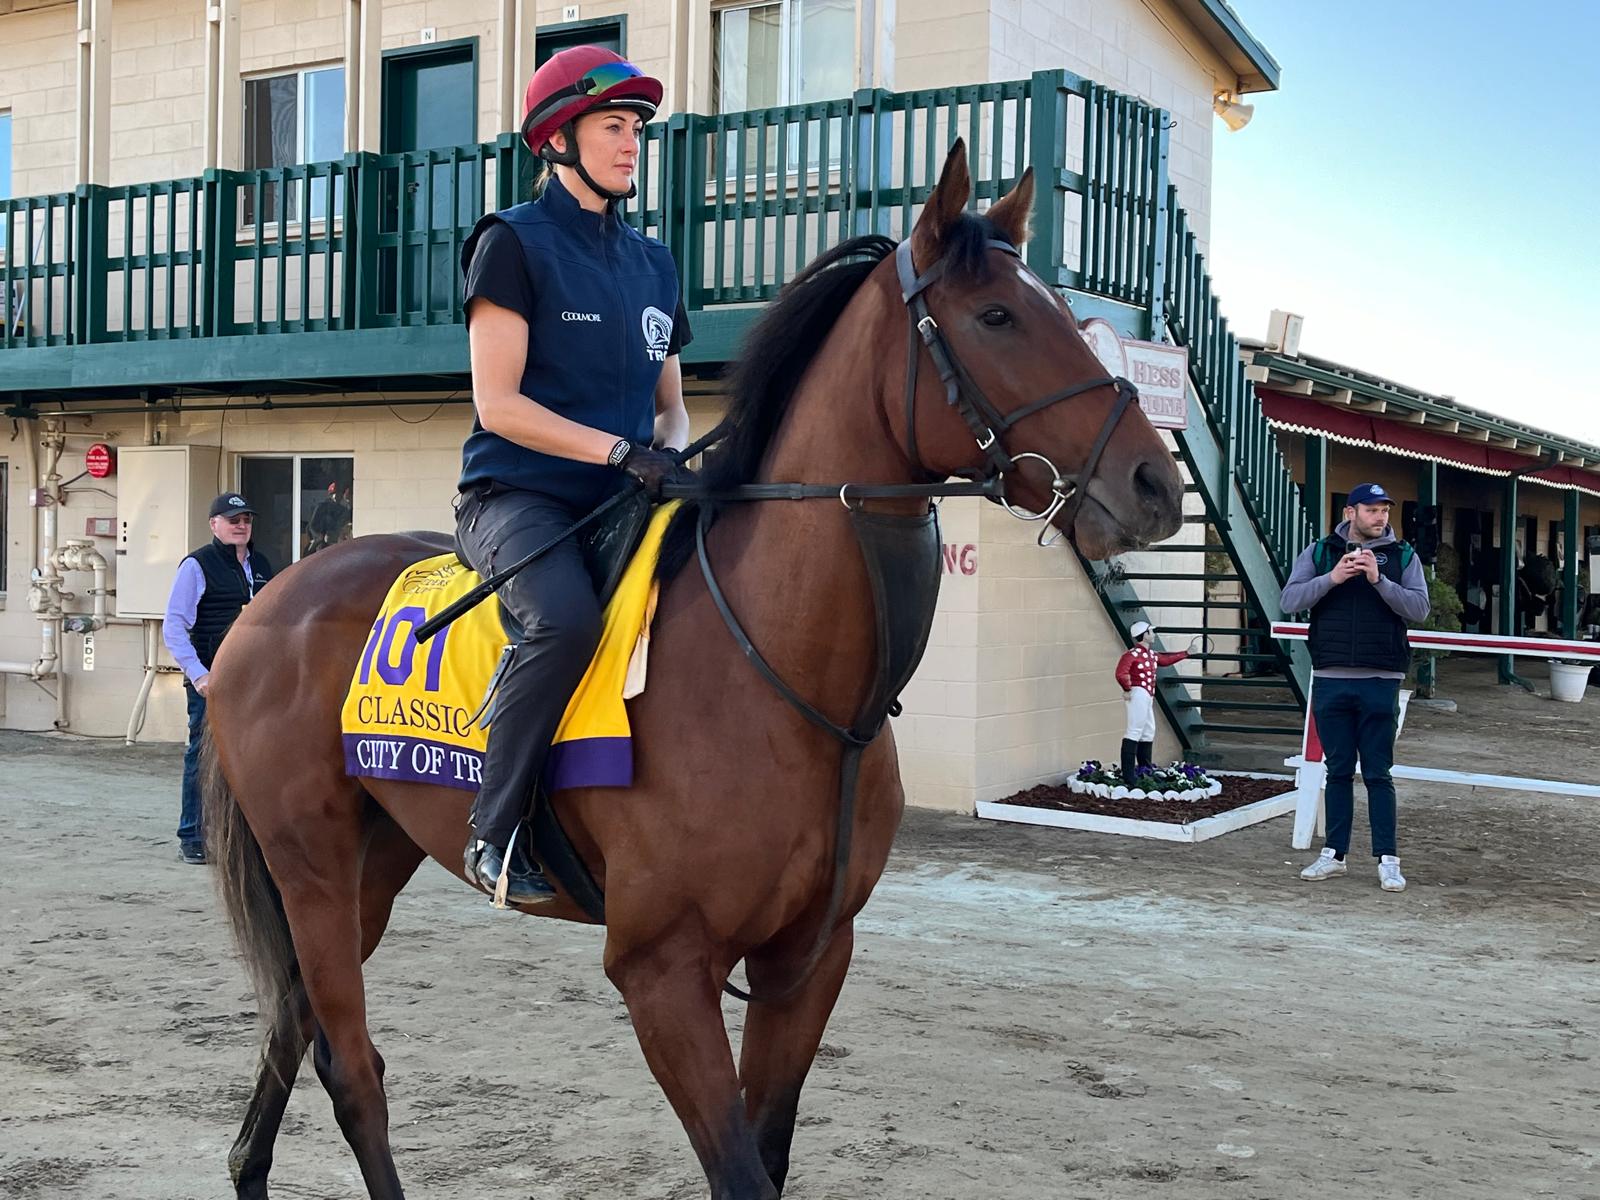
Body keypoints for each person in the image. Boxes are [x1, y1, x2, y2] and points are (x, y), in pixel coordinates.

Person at [454, 45, 694, 904]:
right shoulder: (513, 241)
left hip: (626, 497)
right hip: (516, 497)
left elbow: (671, 406)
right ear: (558, 138)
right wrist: (617, 451)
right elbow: (499, 405)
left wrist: (669, 449)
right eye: (614, 126)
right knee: (561, 622)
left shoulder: (656, 263)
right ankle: (492, 829)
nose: (633, 144)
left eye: (636, 129)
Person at [1280, 482, 1429, 892]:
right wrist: (1332, 578)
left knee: (1379, 773)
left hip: (1382, 677)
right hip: (1331, 677)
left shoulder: (1403, 556)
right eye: (1372, 510)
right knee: (1338, 770)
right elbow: (1290, 600)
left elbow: (1419, 608)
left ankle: (1388, 859)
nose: (1380, 517)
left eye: (1385, 510)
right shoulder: (1321, 552)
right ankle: (1334, 855)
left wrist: (1380, 580)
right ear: (1351, 513)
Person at [162, 492, 276, 864]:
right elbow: (174, 627)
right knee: (203, 756)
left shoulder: (261, 565)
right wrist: (199, 676)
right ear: (214, 524)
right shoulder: (197, 565)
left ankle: (241, 838)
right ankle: (192, 835)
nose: (241, 525)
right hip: (212, 680)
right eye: (232, 520)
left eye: (245, 519)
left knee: (253, 758)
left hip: (254, 682)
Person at [1114, 621, 1188, 782]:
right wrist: (1127, 689)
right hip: (1138, 692)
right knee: (1134, 730)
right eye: (1151, 632)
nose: (1153, 635)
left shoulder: (1152, 654)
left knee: (1148, 730)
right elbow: (1121, 674)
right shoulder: (1131, 655)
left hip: (1148, 694)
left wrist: (1186, 653)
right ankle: (1129, 775)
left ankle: (1144, 769)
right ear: (1144, 635)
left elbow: (1165, 660)